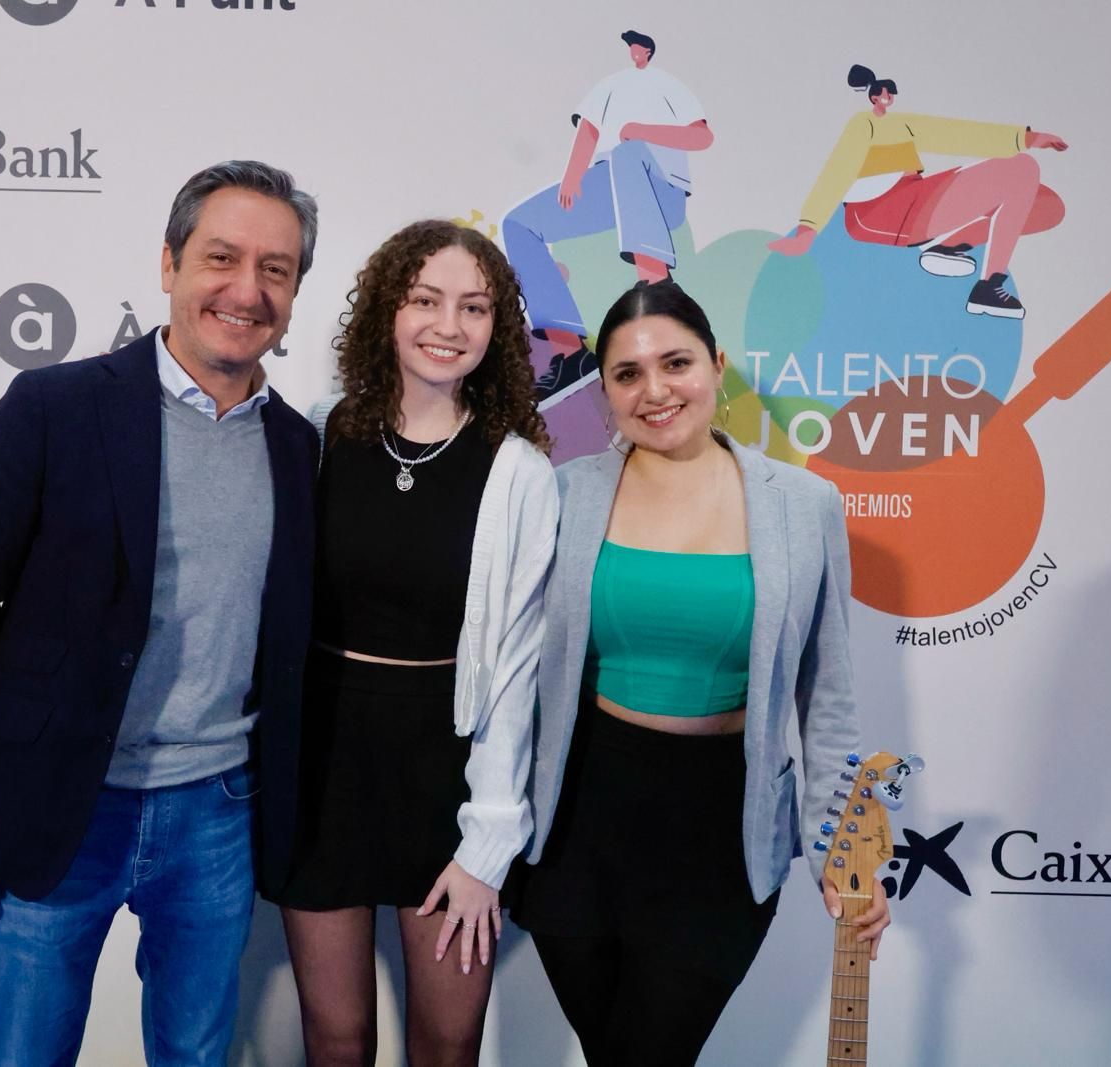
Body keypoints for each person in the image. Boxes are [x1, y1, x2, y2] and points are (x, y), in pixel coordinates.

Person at [0, 160, 321, 1067]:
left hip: (217, 814)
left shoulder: (297, 448)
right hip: (58, 805)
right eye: (221, 257)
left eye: (276, 270)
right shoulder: (55, 408)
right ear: (168, 263)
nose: (246, 290)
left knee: (195, 1054)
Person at [510, 282, 890, 1064]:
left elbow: (829, 696)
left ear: (716, 366)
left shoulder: (803, 503)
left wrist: (837, 851)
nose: (655, 391)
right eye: (627, 374)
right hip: (580, 822)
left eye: (675, 362)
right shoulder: (565, 491)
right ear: (606, 389)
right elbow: (515, 667)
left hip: (720, 829)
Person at [265, 220, 557, 1065]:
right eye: (425, 299)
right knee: (337, 1035)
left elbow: (514, 675)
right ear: (387, 311)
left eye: (474, 307)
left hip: (448, 780)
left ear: (497, 328)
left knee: (447, 1040)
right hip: (321, 771)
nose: (447, 325)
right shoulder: (320, 432)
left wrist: (489, 840)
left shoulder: (518, 473)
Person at [502, 29, 713, 407]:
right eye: (629, 45)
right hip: (606, 184)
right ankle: (570, 354)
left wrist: (641, 132)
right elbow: (588, 131)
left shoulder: (667, 86)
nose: (634, 51)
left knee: (628, 153)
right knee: (519, 223)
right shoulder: (609, 87)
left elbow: (701, 138)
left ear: (648, 51)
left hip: (660, 185)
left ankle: (656, 282)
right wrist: (572, 177)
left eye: (640, 45)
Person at [769, 63, 1068, 320]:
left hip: (913, 197)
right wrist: (809, 227)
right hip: (879, 211)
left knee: (1044, 205)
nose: (886, 98)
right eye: (882, 93)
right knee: (1021, 170)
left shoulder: (903, 124)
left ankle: (947, 245)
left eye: (890, 93)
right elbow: (838, 170)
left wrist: (1025, 138)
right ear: (873, 96)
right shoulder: (862, 125)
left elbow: (954, 135)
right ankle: (988, 287)